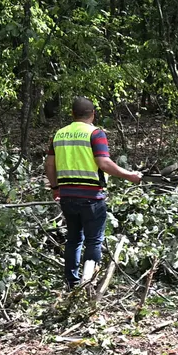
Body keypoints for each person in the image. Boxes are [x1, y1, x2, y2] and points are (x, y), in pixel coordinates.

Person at [45, 96, 143, 289]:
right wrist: (130, 175)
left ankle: (72, 283)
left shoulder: (59, 134)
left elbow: (49, 164)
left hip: (67, 197)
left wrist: (55, 188)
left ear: (72, 114)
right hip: (91, 198)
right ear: (93, 114)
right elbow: (103, 163)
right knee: (93, 241)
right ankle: (89, 284)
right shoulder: (95, 134)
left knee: (73, 239)